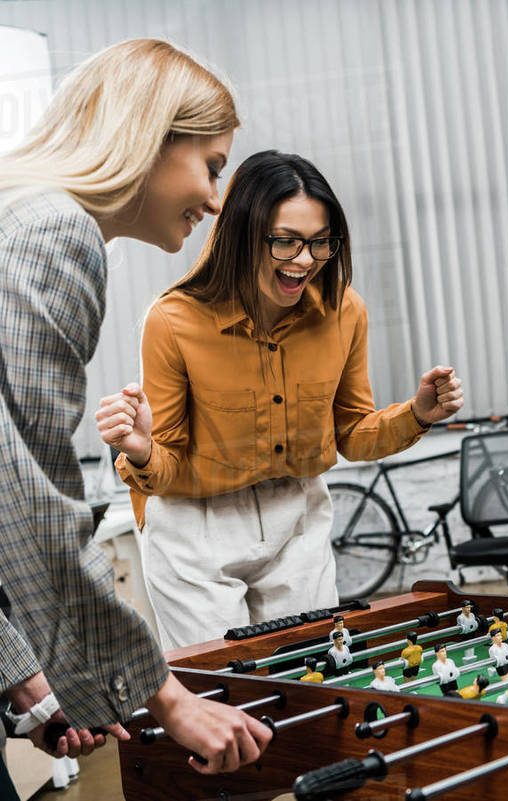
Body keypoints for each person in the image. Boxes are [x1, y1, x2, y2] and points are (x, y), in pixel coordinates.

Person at [0, 38, 271, 782]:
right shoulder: (54, 233)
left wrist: (23, 678)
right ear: (148, 138)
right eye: (212, 165)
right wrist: (165, 695)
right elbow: (29, 499)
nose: (217, 199)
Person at [97, 150, 465, 650]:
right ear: (243, 234)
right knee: (223, 687)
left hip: (296, 508)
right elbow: (167, 465)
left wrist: (418, 414)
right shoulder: (173, 320)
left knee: (312, 670)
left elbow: (351, 436)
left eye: (320, 243)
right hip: (193, 520)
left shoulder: (344, 312)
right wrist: (139, 450)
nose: (305, 261)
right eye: (286, 242)